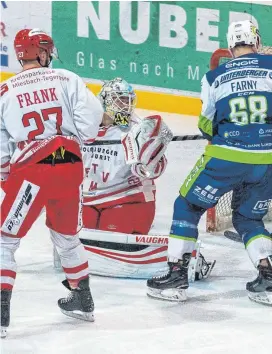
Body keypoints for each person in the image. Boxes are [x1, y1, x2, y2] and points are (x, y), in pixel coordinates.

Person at [146, 20, 272, 305]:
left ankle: (176, 274)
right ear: (257, 41)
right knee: (248, 218)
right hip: (268, 161)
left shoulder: (214, 76)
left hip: (226, 159)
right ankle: (267, 275)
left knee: (187, 205)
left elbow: (206, 124)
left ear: (230, 48)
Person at [0, 28, 104, 337]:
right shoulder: (66, 78)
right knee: (66, 238)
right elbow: (93, 117)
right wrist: (78, 137)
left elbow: (1, 145)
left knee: (4, 240)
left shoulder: (5, 91)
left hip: (32, 171)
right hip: (70, 165)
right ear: (42, 53)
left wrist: (6, 171)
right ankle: (83, 300)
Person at [63, 77, 214, 280]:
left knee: (112, 249)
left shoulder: (138, 128)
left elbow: (157, 169)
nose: (125, 106)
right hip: (91, 200)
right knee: (82, 243)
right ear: (105, 101)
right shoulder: (84, 127)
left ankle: (183, 260)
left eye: (128, 100)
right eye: (119, 100)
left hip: (127, 199)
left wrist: (148, 160)